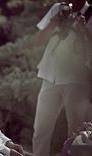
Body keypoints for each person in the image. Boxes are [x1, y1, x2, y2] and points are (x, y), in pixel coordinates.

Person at [33, 0, 92, 156]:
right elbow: (38, 40)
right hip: (49, 75)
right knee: (40, 131)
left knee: (78, 134)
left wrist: (83, 31)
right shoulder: (57, 9)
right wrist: (54, 23)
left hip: (76, 79)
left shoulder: (91, 13)